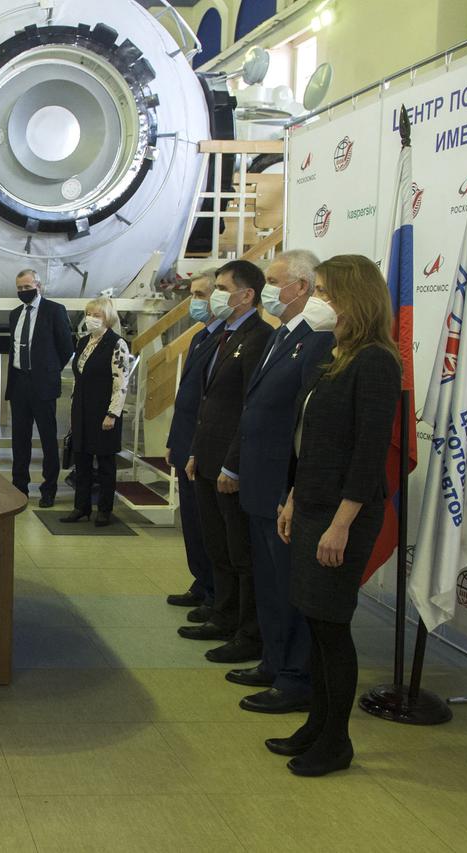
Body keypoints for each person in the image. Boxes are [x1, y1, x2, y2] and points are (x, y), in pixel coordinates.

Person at [271, 255, 399, 776]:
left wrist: (341, 523)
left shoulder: (376, 361)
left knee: (331, 628)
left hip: (343, 514)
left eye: (325, 290)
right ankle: (316, 725)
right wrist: (296, 497)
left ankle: (336, 741)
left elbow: (369, 455)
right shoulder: (339, 354)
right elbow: (314, 440)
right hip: (313, 506)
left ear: (354, 297)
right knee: (314, 620)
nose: (317, 298)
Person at [227, 251, 335, 715]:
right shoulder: (282, 335)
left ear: (303, 287)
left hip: (282, 486)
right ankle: (273, 660)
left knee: (287, 588)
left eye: (275, 280)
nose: (269, 288)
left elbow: (305, 423)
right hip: (258, 481)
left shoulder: (315, 342)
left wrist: (292, 490)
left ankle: (295, 677)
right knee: (269, 585)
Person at [179, 260, 271, 665]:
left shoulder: (258, 337)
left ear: (246, 294)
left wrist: (232, 463)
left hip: (232, 464)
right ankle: (222, 613)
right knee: (216, 542)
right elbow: (208, 403)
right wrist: (197, 450)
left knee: (239, 551)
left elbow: (250, 408)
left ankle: (245, 629)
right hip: (209, 456)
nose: (214, 295)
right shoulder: (223, 336)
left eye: (220, 287)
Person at [164, 272, 222, 617]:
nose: (195, 301)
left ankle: (215, 593)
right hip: (186, 443)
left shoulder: (224, 341)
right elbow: (186, 397)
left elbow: (211, 404)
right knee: (192, 521)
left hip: (203, 450)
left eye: (202, 294)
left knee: (207, 524)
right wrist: (174, 441)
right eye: (194, 294)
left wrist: (196, 449)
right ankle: (200, 582)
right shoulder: (201, 337)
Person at [6, 269, 74, 507]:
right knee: (19, 439)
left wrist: (49, 370)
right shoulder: (15, 314)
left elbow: (66, 347)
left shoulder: (54, 311)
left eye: (28, 287)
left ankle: (49, 489)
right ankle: (19, 487)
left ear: (38, 285)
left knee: (47, 438)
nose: (24, 292)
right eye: (20, 288)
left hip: (43, 384)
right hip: (19, 383)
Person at [62, 297, 131, 527]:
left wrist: (112, 414)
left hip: (104, 412)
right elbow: (78, 378)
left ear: (108, 318)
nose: (91, 319)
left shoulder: (116, 343)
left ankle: (104, 509)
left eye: (97, 315)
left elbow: (120, 383)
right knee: (81, 461)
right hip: (81, 410)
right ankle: (81, 507)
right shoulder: (83, 342)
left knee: (104, 463)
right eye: (89, 314)